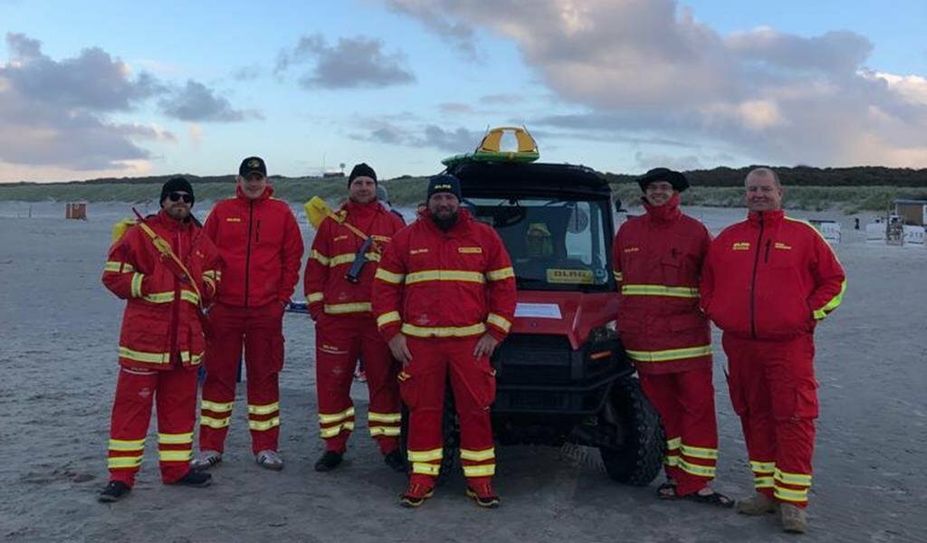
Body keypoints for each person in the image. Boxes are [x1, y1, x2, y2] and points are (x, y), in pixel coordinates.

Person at [700, 167, 846, 533]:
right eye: (752, 189)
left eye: (766, 189)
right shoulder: (728, 239)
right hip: (741, 346)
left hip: (789, 346)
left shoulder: (803, 235)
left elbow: (835, 281)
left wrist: (807, 314)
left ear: (781, 192)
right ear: (745, 194)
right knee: (754, 415)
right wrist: (716, 311)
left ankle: (793, 503)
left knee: (794, 418)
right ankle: (765, 492)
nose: (759, 194)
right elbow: (707, 285)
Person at [372, 174, 517, 509]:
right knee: (422, 411)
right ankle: (421, 478)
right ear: (429, 202)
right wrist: (392, 335)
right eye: (437, 198)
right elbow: (383, 290)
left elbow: (505, 288)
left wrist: (494, 332)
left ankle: (480, 481)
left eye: (449, 198)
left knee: (476, 411)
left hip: (471, 344)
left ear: (459, 201)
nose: (444, 204)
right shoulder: (406, 239)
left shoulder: (485, 237)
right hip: (419, 345)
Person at [612, 168, 732, 507]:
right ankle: (676, 476)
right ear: (645, 192)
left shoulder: (695, 232)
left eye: (665, 188)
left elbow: (711, 280)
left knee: (697, 410)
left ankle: (699, 483)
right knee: (665, 414)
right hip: (643, 343)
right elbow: (620, 277)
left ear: (676, 192)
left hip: (686, 342)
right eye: (653, 188)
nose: (659, 193)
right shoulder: (628, 231)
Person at [99, 177, 219, 502]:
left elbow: (213, 270)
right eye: (174, 197)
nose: (181, 202)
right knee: (130, 411)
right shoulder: (139, 234)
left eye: (186, 198)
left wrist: (208, 286)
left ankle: (176, 469)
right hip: (144, 343)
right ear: (163, 201)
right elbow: (112, 275)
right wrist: (146, 285)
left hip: (185, 343)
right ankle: (121, 478)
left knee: (179, 411)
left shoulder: (200, 237)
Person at [192, 156, 304, 471]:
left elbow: (292, 256)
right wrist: (209, 296)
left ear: (266, 181)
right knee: (217, 379)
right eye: (248, 178)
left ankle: (266, 446)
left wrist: (281, 299)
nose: (253, 183)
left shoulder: (281, 213)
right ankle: (211, 447)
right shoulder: (222, 211)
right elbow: (204, 253)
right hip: (223, 310)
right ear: (238, 181)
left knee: (264, 378)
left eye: (258, 177)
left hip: (265, 311)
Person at [304, 163, 407, 473]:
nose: (363, 187)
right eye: (358, 182)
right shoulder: (331, 225)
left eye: (369, 182)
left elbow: (405, 273)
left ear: (376, 187)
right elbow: (315, 272)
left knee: (384, 385)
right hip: (336, 325)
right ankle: (334, 446)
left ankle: (389, 447)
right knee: (332, 385)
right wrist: (318, 314)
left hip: (379, 323)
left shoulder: (393, 224)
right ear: (349, 187)